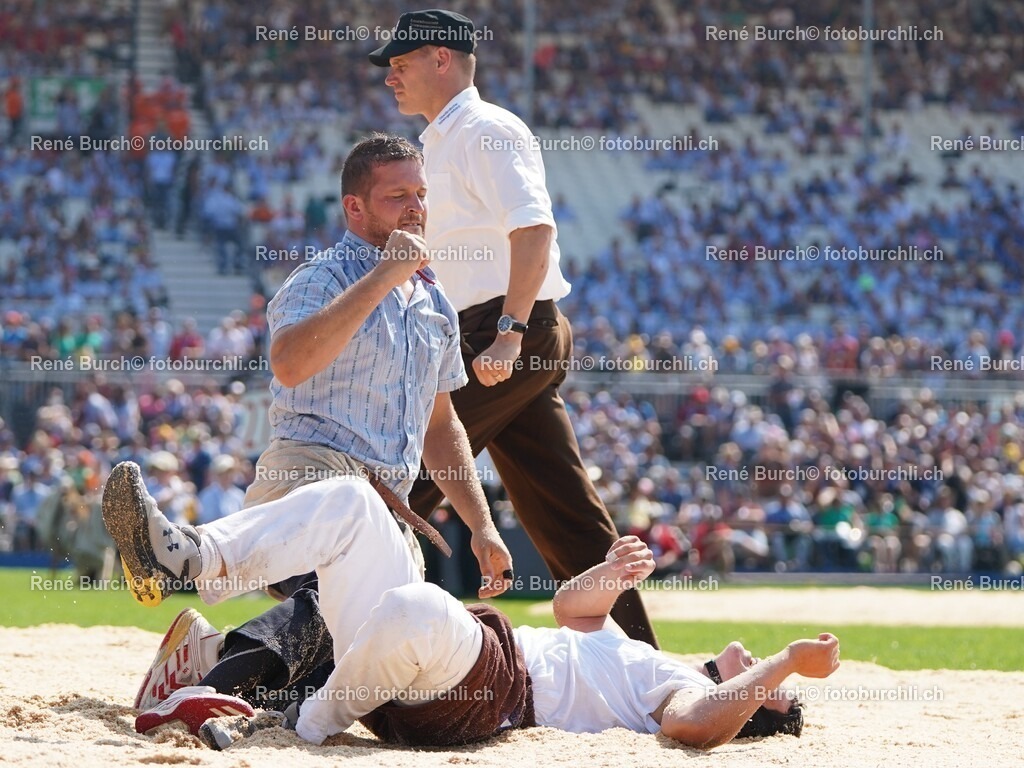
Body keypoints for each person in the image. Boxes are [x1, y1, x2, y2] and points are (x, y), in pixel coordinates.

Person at [129, 134, 513, 712]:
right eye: (396, 196)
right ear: (354, 208)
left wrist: (481, 527)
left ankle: (208, 664)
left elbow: (442, 426)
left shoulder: (434, 304)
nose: (415, 208)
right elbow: (289, 363)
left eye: (422, 195)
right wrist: (385, 276)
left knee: (362, 638)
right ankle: (202, 631)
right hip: (309, 477)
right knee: (338, 585)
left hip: (387, 506)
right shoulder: (322, 277)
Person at [102, 464, 840, 751]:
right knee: (355, 503)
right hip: (441, 661)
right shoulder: (648, 659)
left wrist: (787, 665)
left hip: (485, 691)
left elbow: (697, 728)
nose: (756, 656)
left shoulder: (678, 691)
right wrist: (610, 575)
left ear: (759, 707)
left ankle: (303, 725)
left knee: (417, 606)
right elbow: (572, 610)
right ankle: (193, 559)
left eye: (766, 694)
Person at [369, 8, 657, 646]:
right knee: (565, 516)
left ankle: (299, 623)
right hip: (488, 331)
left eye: (400, 63)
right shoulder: (444, 139)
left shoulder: (485, 130)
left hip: (499, 331)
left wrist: (508, 331)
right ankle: (643, 667)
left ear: (441, 58)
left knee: (398, 477)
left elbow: (534, 230)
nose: (390, 77)